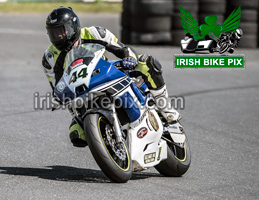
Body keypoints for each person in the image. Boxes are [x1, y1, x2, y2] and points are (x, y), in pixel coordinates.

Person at [42, 7, 180, 147]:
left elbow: (123, 49)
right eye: (54, 33)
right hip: (81, 94)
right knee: (77, 135)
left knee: (146, 63)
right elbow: (58, 88)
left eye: (61, 31)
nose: (59, 36)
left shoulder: (94, 33)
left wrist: (129, 59)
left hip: (104, 73)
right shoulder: (50, 58)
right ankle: (111, 144)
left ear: (73, 26)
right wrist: (58, 98)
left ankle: (167, 111)